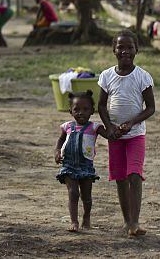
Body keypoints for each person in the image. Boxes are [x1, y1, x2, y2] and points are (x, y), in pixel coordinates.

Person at [97, 31, 156, 238]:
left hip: (136, 135)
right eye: (120, 47)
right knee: (121, 178)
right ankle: (126, 221)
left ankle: (135, 221)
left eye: (129, 47)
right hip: (115, 138)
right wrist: (110, 127)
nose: (125, 51)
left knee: (134, 175)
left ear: (136, 50)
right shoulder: (106, 76)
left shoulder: (143, 76)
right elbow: (101, 106)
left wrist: (132, 122)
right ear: (114, 50)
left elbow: (150, 108)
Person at [55, 90, 112, 232]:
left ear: (92, 111)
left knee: (86, 196)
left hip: (86, 167)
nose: (81, 112)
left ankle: (86, 218)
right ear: (70, 111)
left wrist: (115, 131)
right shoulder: (67, 126)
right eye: (76, 109)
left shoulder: (94, 127)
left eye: (85, 109)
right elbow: (61, 139)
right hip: (68, 165)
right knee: (73, 193)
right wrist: (57, 151)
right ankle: (74, 222)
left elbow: (109, 135)